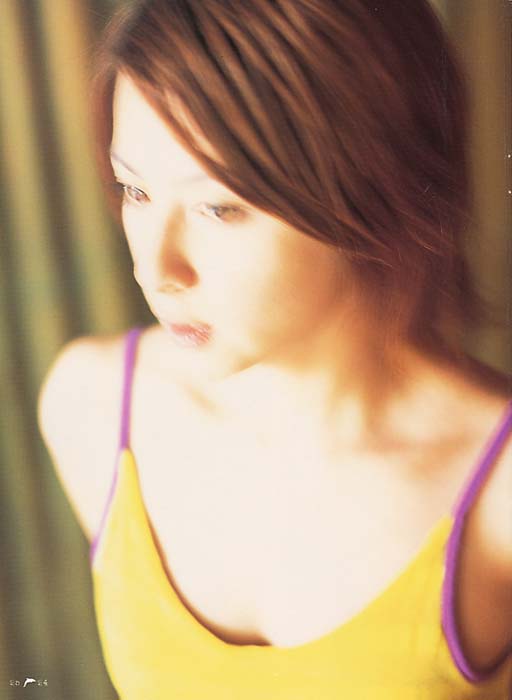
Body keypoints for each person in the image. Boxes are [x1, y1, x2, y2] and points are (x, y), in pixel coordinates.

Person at [38, 0, 512, 697]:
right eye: (134, 190)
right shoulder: (95, 406)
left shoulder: (497, 490)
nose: (157, 269)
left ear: (371, 186)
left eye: (219, 208)